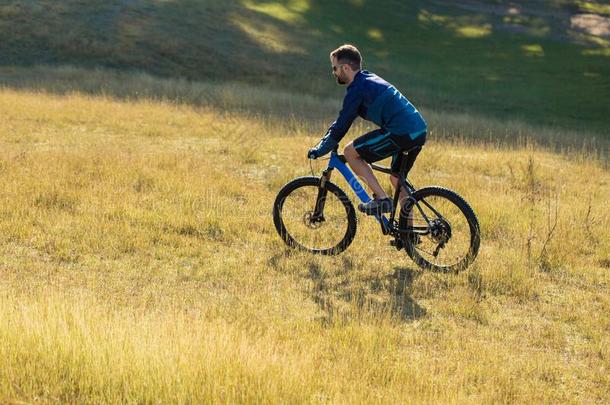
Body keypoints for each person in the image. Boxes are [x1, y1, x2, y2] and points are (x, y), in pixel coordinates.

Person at [308, 44, 427, 215]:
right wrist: (328, 138)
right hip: (418, 130)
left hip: (401, 131)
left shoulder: (358, 89)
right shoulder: (368, 79)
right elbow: (342, 121)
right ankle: (409, 234)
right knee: (396, 179)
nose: (333, 72)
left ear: (346, 68)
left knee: (350, 152)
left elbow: (342, 124)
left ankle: (382, 199)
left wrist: (321, 149)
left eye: (334, 68)